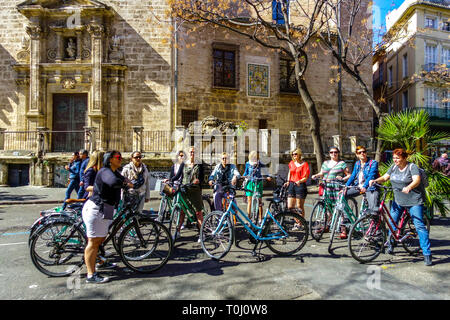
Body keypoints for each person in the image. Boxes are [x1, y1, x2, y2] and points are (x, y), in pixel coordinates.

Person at [369, 148, 432, 266]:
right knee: (393, 222)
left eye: (397, 158)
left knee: (419, 226)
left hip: (414, 201)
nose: (395, 160)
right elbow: (385, 177)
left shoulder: (411, 167)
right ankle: (391, 243)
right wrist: (375, 180)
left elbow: (417, 180)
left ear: (404, 158)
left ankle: (427, 253)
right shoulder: (393, 167)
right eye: (394, 158)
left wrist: (409, 187)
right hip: (398, 200)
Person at [82, 150, 132, 284]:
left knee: (101, 239)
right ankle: (91, 275)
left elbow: (123, 179)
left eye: (121, 157)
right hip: (97, 209)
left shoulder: (115, 171)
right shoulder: (105, 171)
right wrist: (124, 184)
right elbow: (113, 182)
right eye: (118, 157)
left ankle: (100, 261)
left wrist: (133, 183)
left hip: (107, 208)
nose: (121, 159)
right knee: (93, 242)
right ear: (110, 159)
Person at [311, 146, 351, 238]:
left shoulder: (342, 163)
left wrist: (342, 178)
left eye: (335, 152)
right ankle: (327, 225)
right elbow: (322, 173)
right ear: (329, 154)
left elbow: (349, 175)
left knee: (340, 208)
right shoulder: (325, 163)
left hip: (337, 188)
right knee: (327, 208)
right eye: (331, 152)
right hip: (327, 187)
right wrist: (316, 175)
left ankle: (343, 229)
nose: (334, 154)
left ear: (338, 153)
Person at [173, 146, 204, 242]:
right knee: (181, 212)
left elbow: (202, 178)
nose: (192, 154)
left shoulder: (200, 164)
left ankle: (202, 234)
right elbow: (178, 175)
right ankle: (177, 232)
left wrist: (199, 181)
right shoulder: (184, 164)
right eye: (190, 152)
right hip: (185, 190)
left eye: (194, 152)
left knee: (198, 212)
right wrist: (170, 180)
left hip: (195, 191)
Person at [345, 146, 380, 215]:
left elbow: (371, 176)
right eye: (359, 152)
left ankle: (375, 224)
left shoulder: (373, 163)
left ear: (366, 153)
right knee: (343, 195)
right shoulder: (357, 164)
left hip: (370, 188)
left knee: (373, 211)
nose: (362, 153)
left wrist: (365, 186)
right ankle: (346, 218)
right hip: (358, 187)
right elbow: (353, 176)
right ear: (357, 155)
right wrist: (346, 186)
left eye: (364, 152)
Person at [243, 151, 272, 222]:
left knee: (259, 201)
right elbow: (246, 172)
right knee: (249, 201)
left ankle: (260, 218)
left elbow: (266, 171)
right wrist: (243, 176)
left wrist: (268, 176)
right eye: (253, 157)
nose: (254, 159)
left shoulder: (260, 164)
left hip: (258, 183)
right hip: (250, 183)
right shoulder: (248, 163)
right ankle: (248, 218)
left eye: (255, 157)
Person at [283, 148, 310, 218]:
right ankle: (299, 220)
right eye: (292, 154)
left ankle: (299, 224)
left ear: (299, 154)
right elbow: (290, 172)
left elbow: (306, 177)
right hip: (292, 185)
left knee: (299, 206)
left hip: (300, 186)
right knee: (290, 207)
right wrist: (288, 181)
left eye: (295, 154)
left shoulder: (304, 164)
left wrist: (299, 181)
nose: (294, 155)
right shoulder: (291, 163)